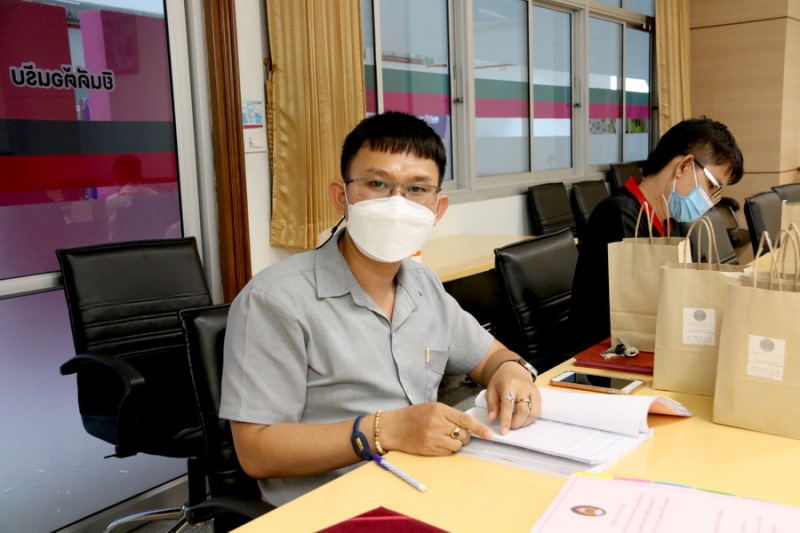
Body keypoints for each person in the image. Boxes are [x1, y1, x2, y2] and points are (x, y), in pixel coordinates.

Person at [220, 111, 542, 506]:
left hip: (428, 484)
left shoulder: (422, 283)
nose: (396, 204)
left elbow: (489, 356)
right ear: (341, 197)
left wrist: (512, 372)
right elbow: (256, 451)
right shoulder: (275, 300)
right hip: (333, 506)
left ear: (437, 209)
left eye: (417, 189)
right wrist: (384, 430)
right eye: (377, 184)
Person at [568, 117, 744, 352]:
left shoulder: (673, 220)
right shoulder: (618, 215)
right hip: (607, 350)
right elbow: (638, 305)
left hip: (652, 344)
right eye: (712, 185)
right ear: (683, 166)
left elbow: (697, 282)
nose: (710, 199)